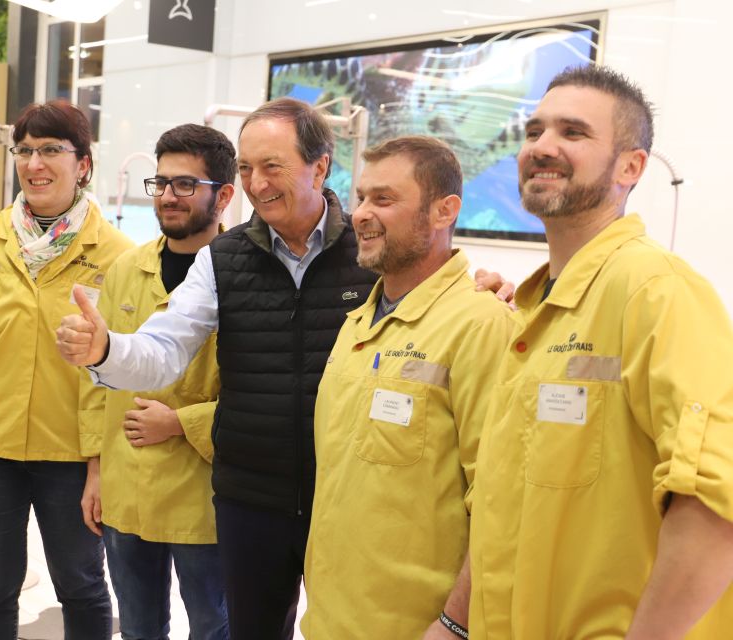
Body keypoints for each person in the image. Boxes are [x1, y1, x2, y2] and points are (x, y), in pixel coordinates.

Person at [57, 98, 512, 639]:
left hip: (350, 497)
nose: (256, 183)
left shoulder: (372, 249)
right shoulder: (222, 259)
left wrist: (489, 289)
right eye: (246, 168)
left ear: (320, 166)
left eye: (272, 166)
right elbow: (164, 350)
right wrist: (107, 351)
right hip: (251, 497)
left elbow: (434, 287)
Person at [468, 65, 733, 639]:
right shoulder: (537, 311)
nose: (542, 146)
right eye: (534, 130)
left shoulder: (657, 291)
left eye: (573, 133)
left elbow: (717, 504)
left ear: (630, 167)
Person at [300, 136, 514, 639]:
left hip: (418, 627)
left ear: (445, 211)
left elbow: (500, 503)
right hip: (332, 618)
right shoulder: (358, 324)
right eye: (361, 198)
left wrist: (454, 623)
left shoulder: (481, 325)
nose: (361, 215)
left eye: (385, 200)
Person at [0, 100, 132, 640]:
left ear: (84, 164)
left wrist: (99, 463)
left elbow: (118, 370)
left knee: (82, 586)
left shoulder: (117, 255)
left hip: (72, 455)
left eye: (51, 149)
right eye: (24, 151)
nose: (35, 164)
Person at [82, 123, 234, 639]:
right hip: (127, 489)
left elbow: (265, 393)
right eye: (161, 183)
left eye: (186, 184)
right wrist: (95, 471)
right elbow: (94, 383)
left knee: (214, 625)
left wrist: (181, 423)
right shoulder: (128, 269)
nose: (168, 196)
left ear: (224, 195)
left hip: (203, 498)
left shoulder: (244, 278)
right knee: (140, 627)